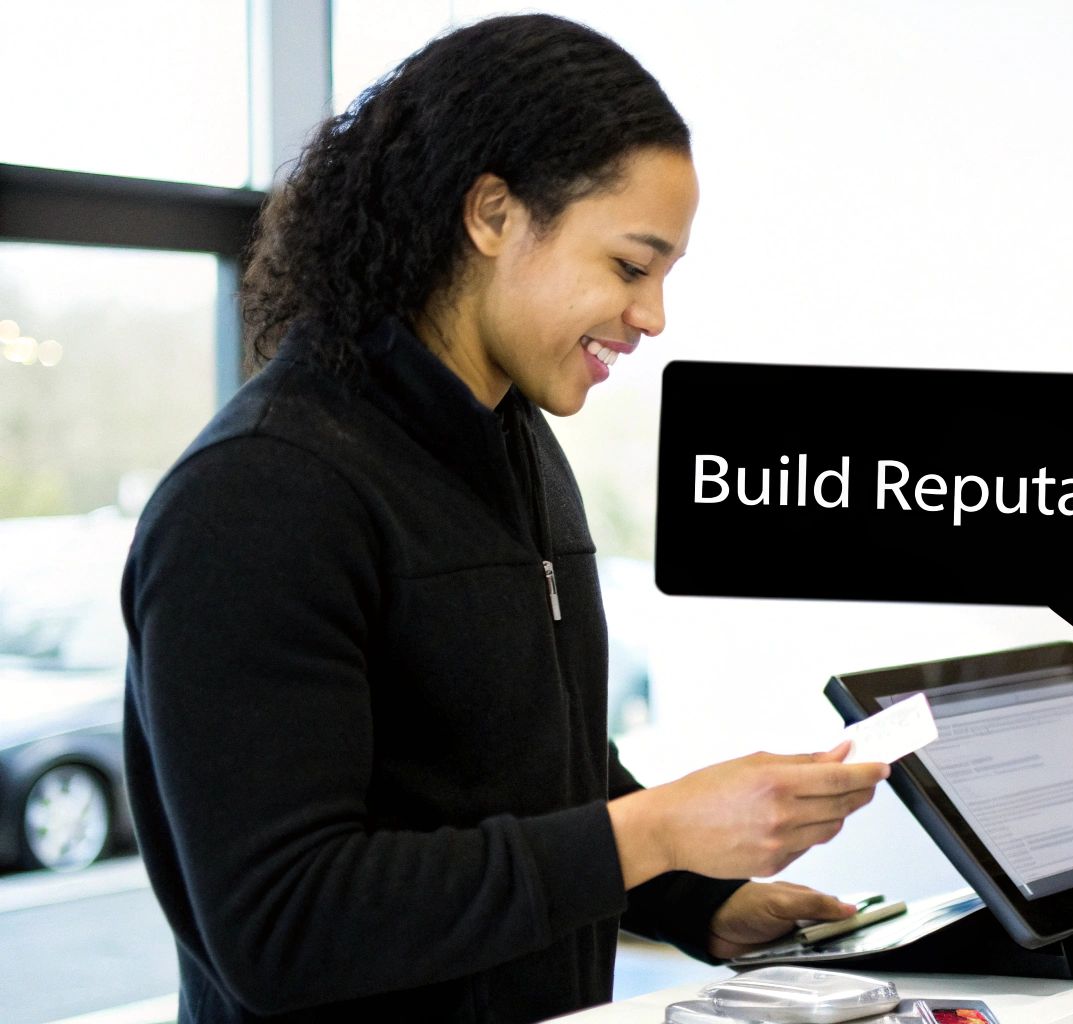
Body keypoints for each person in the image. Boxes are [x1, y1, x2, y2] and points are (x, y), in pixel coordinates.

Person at [121, 16, 886, 1023]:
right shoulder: (258, 496)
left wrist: (701, 900)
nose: (652, 317)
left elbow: (529, 771)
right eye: (628, 266)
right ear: (490, 213)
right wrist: (652, 833)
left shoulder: (519, 444)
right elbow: (284, 924)